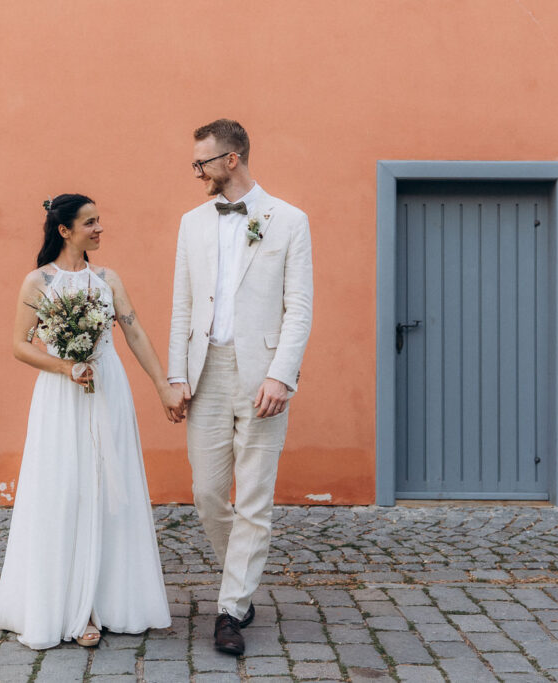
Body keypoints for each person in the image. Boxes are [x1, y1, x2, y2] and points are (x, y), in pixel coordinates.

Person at [0, 193, 185, 649]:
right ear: (64, 230)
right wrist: (65, 367)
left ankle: (105, 600)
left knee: (109, 490)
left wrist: (163, 387)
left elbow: (133, 331)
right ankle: (71, 604)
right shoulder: (38, 281)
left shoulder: (108, 278)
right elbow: (20, 345)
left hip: (108, 389)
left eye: (99, 221)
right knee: (66, 488)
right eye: (91, 222)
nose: (99, 229)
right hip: (62, 395)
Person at [168, 119, 313, 655]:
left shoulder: (289, 220)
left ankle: (231, 608)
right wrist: (175, 375)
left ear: (232, 159)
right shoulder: (191, 223)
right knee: (207, 493)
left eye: (202, 162)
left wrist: (282, 374)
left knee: (253, 497)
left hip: (261, 374)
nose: (197, 172)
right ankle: (243, 581)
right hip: (205, 371)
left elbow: (298, 308)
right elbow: (182, 303)